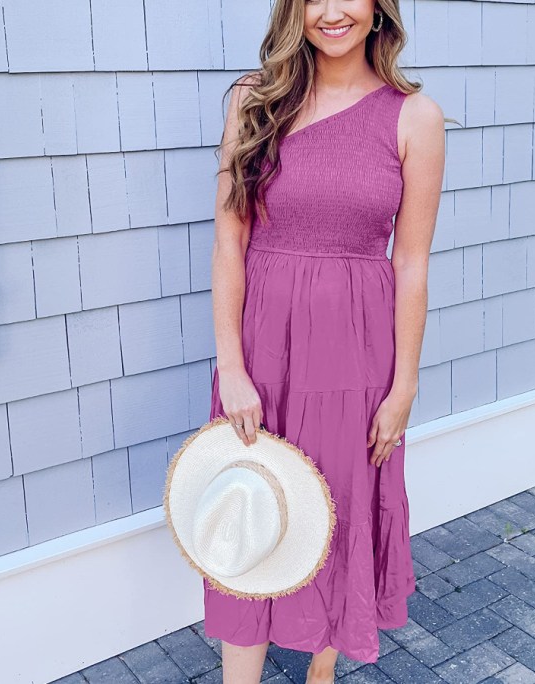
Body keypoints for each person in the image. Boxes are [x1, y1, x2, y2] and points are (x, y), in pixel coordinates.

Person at [206, 0, 445, 681]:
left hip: (358, 354)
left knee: (340, 509)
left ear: (380, 9)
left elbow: (412, 262)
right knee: (252, 507)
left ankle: (322, 666)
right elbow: (230, 240)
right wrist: (232, 367)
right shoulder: (256, 101)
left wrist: (404, 385)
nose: (331, 11)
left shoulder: (414, 117)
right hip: (263, 351)